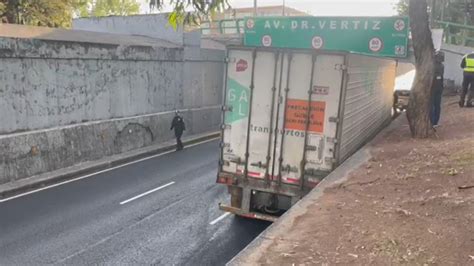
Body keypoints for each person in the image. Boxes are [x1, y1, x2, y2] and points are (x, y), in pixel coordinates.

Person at [431, 51, 444, 127]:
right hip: (439, 86)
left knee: (431, 105)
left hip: (433, 87)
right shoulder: (442, 66)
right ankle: (435, 122)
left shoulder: (432, 65)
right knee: (437, 105)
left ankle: (432, 122)